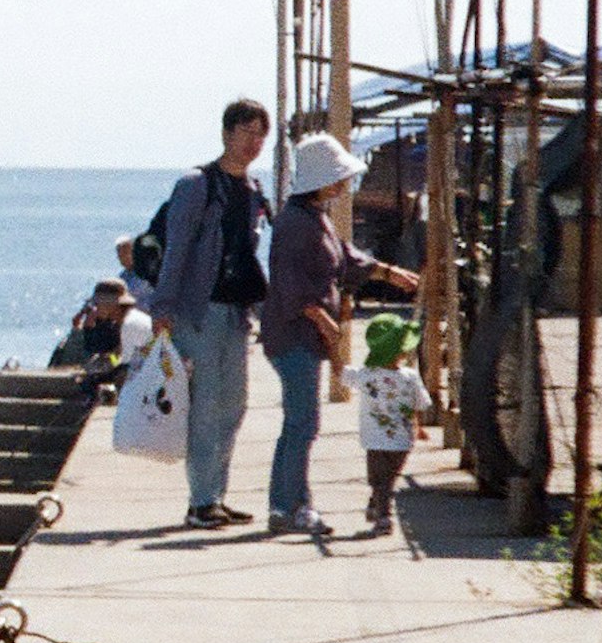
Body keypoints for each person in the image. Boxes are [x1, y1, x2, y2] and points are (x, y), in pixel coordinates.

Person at [124, 99, 275, 530]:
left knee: (234, 404)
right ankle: (201, 500)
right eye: (247, 132)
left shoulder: (253, 190)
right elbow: (177, 249)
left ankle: (216, 495)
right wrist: (163, 306)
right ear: (227, 133)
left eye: (261, 134)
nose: (254, 142)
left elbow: (248, 255)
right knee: (207, 405)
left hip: (235, 310)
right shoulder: (196, 185)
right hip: (198, 309)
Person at [261, 129, 419, 536]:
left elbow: (347, 258)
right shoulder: (297, 224)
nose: (346, 183)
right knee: (302, 423)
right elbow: (292, 284)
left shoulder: (313, 219)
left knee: (299, 422)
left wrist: (387, 271)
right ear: (323, 180)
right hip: (296, 336)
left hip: (300, 336)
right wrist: (323, 321)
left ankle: (285, 505)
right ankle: (291, 506)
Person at [348, 313, 432, 538]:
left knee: (379, 478)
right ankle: (380, 509)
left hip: (374, 439)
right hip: (403, 440)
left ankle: (381, 510)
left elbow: (343, 374)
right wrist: (418, 426)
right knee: (389, 477)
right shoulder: (410, 377)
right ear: (402, 351)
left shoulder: (366, 376)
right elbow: (420, 403)